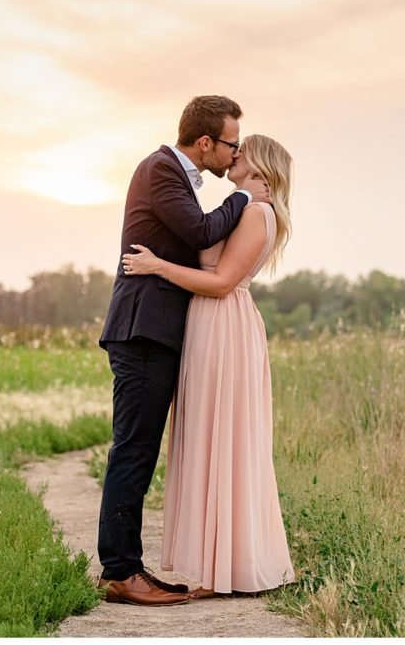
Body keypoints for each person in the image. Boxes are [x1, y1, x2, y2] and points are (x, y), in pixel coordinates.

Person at [96, 96, 272, 607]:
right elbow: (198, 231)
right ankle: (121, 572)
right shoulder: (161, 170)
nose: (234, 153)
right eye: (231, 145)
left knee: (141, 447)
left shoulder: (175, 174)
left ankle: (127, 567)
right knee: (134, 447)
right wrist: (244, 197)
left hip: (157, 331)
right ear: (205, 143)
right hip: (143, 330)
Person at [121, 134, 295, 598]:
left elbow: (220, 282)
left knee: (224, 440)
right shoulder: (241, 207)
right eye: (232, 145)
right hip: (205, 326)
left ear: (259, 165)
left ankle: (228, 568)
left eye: (242, 150)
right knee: (207, 439)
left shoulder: (258, 212)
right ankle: (214, 564)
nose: (233, 154)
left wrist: (158, 267)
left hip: (223, 326)